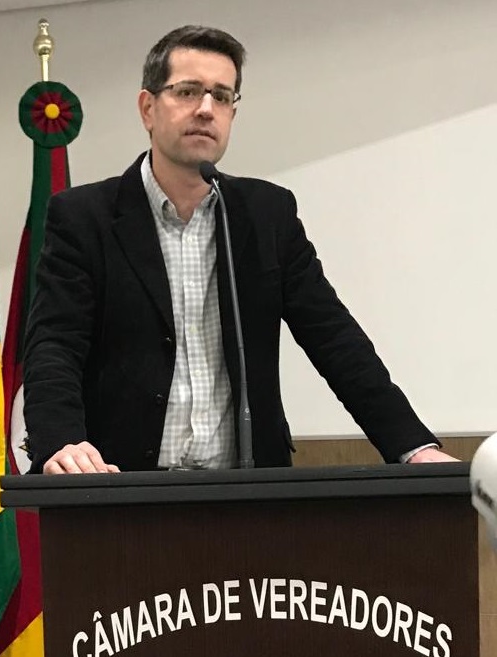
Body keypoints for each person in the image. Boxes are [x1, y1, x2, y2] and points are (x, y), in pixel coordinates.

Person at [22, 25, 457, 474]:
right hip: (120, 486)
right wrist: (61, 441)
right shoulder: (84, 217)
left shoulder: (266, 214)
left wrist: (413, 446)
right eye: (187, 91)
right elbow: (55, 344)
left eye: (222, 96)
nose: (205, 108)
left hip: (245, 491)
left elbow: (334, 338)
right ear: (148, 108)